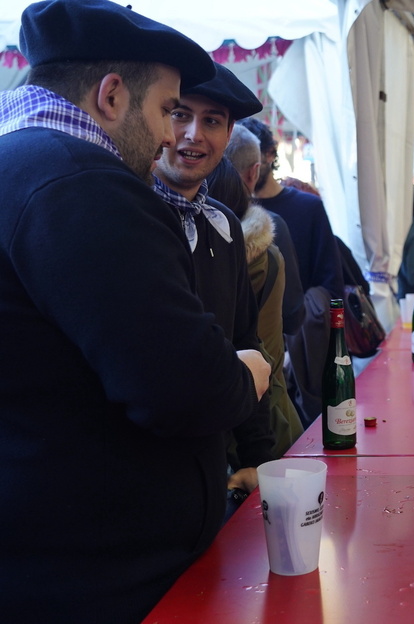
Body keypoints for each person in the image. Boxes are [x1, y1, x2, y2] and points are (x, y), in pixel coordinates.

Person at [0, 1, 270, 621]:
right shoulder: (85, 185)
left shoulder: (23, 163)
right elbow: (185, 389)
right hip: (100, 577)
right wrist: (244, 374)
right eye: (166, 110)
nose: (172, 136)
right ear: (113, 95)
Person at [153, 62, 275, 495]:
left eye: (211, 121)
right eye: (180, 114)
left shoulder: (223, 224)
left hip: (212, 463)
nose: (193, 134)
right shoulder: (131, 216)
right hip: (144, 468)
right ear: (158, 120)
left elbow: (245, 341)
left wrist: (258, 457)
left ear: (228, 134)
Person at [207, 155, 304, 460]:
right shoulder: (268, 253)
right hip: (274, 413)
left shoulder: (217, 258)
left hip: (238, 427)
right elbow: (293, 317)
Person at [237, 117, 343, 299]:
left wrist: (304, 313)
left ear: (270, 154)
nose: (245, 167)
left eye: (250, 156)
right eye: (237, 158)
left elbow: (332, 285)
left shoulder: (309, 208)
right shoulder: (231, 210)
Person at [225, 124, 305, 337]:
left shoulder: (186, 216)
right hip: (260, 353)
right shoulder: (272, 226)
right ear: (254, 172)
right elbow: (292, 314)